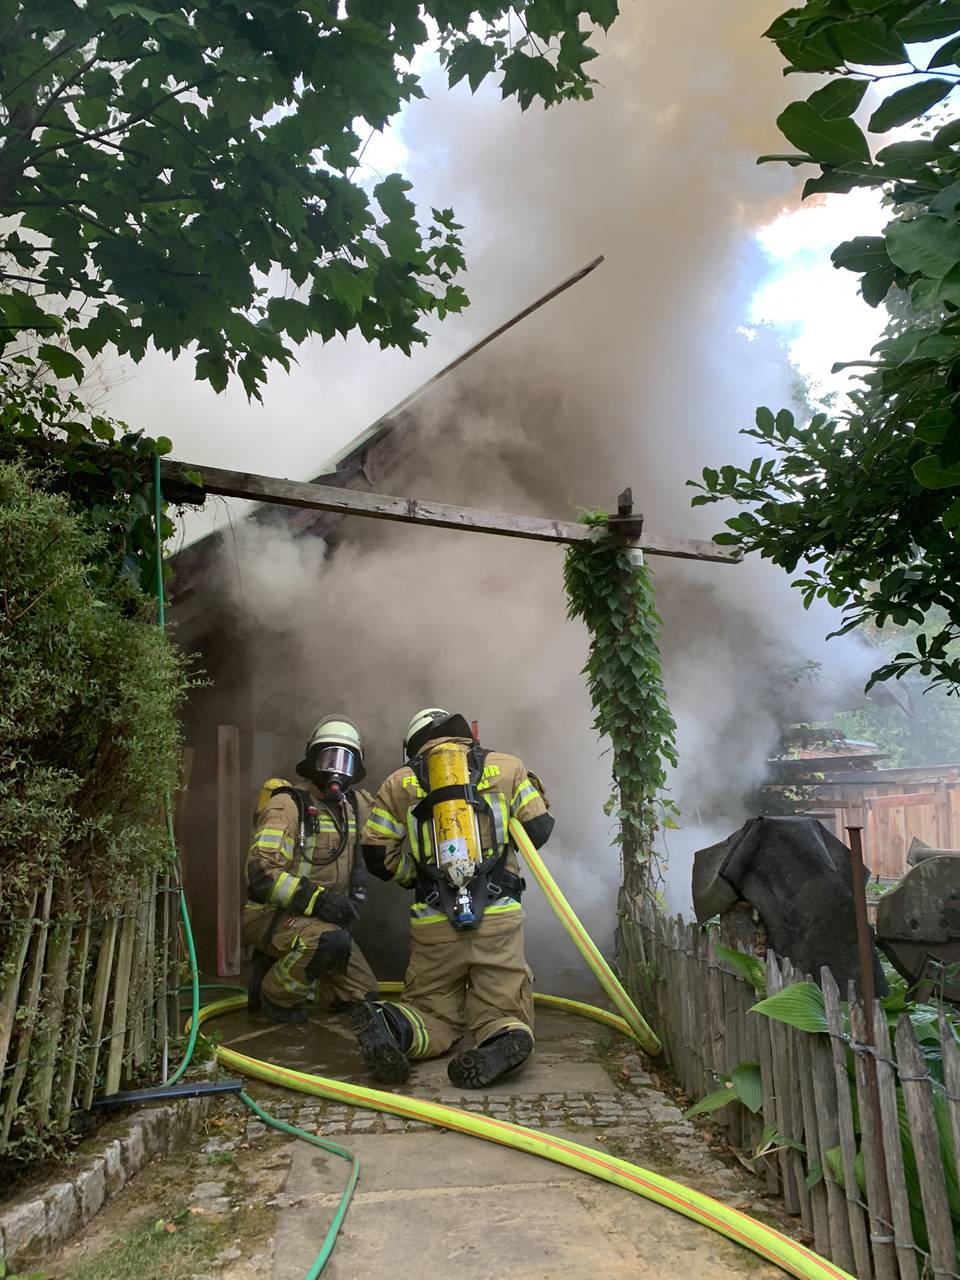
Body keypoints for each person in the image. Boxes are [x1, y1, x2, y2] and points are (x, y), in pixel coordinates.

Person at [350, 708, 554, 1088]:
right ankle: (504, 1037)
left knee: (431, 1011)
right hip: (498, 916)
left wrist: (416, 876)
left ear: (413, 744)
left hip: (434, 920)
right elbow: (538, 830)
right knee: (502, 1010)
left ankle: (394, 1026)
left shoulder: (398, 782)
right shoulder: (508, 767)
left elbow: (376, 855)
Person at [243, 715, 377, 1024]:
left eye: (345, 762)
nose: (335, 770)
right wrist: (320, 900)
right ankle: (273, 995)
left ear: (356, 770)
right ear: (311, 761)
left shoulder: (355, 807)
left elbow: (393, 817)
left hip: (322, 922)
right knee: (328, 942)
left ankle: (290, 971)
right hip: (272, 914)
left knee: (363, 994)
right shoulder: (288, 805)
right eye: (328, 759)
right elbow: (261, 874)